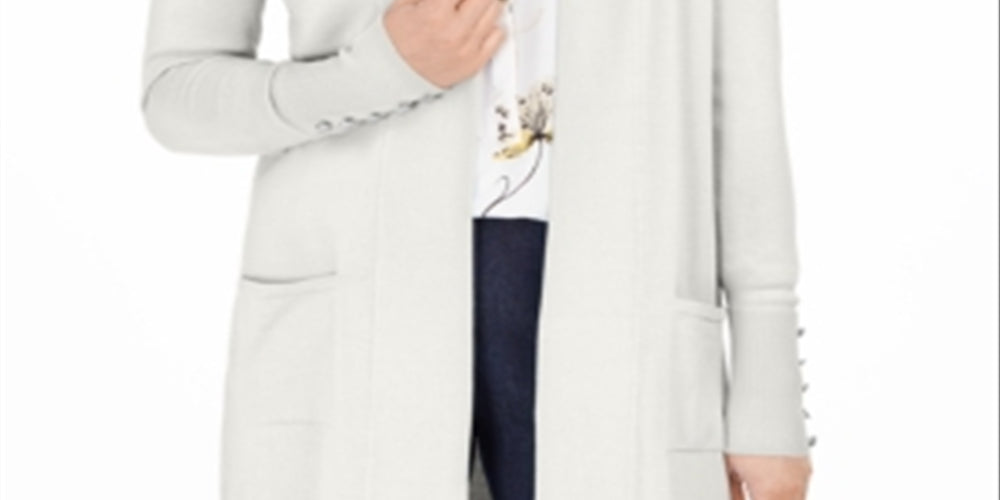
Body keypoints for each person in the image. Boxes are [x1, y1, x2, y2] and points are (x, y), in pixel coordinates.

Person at [140, 0, 814, 499]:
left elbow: (744, 108)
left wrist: (770, 393)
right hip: (357, 327)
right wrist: (378, 71)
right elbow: (175, 92)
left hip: (620, 326)